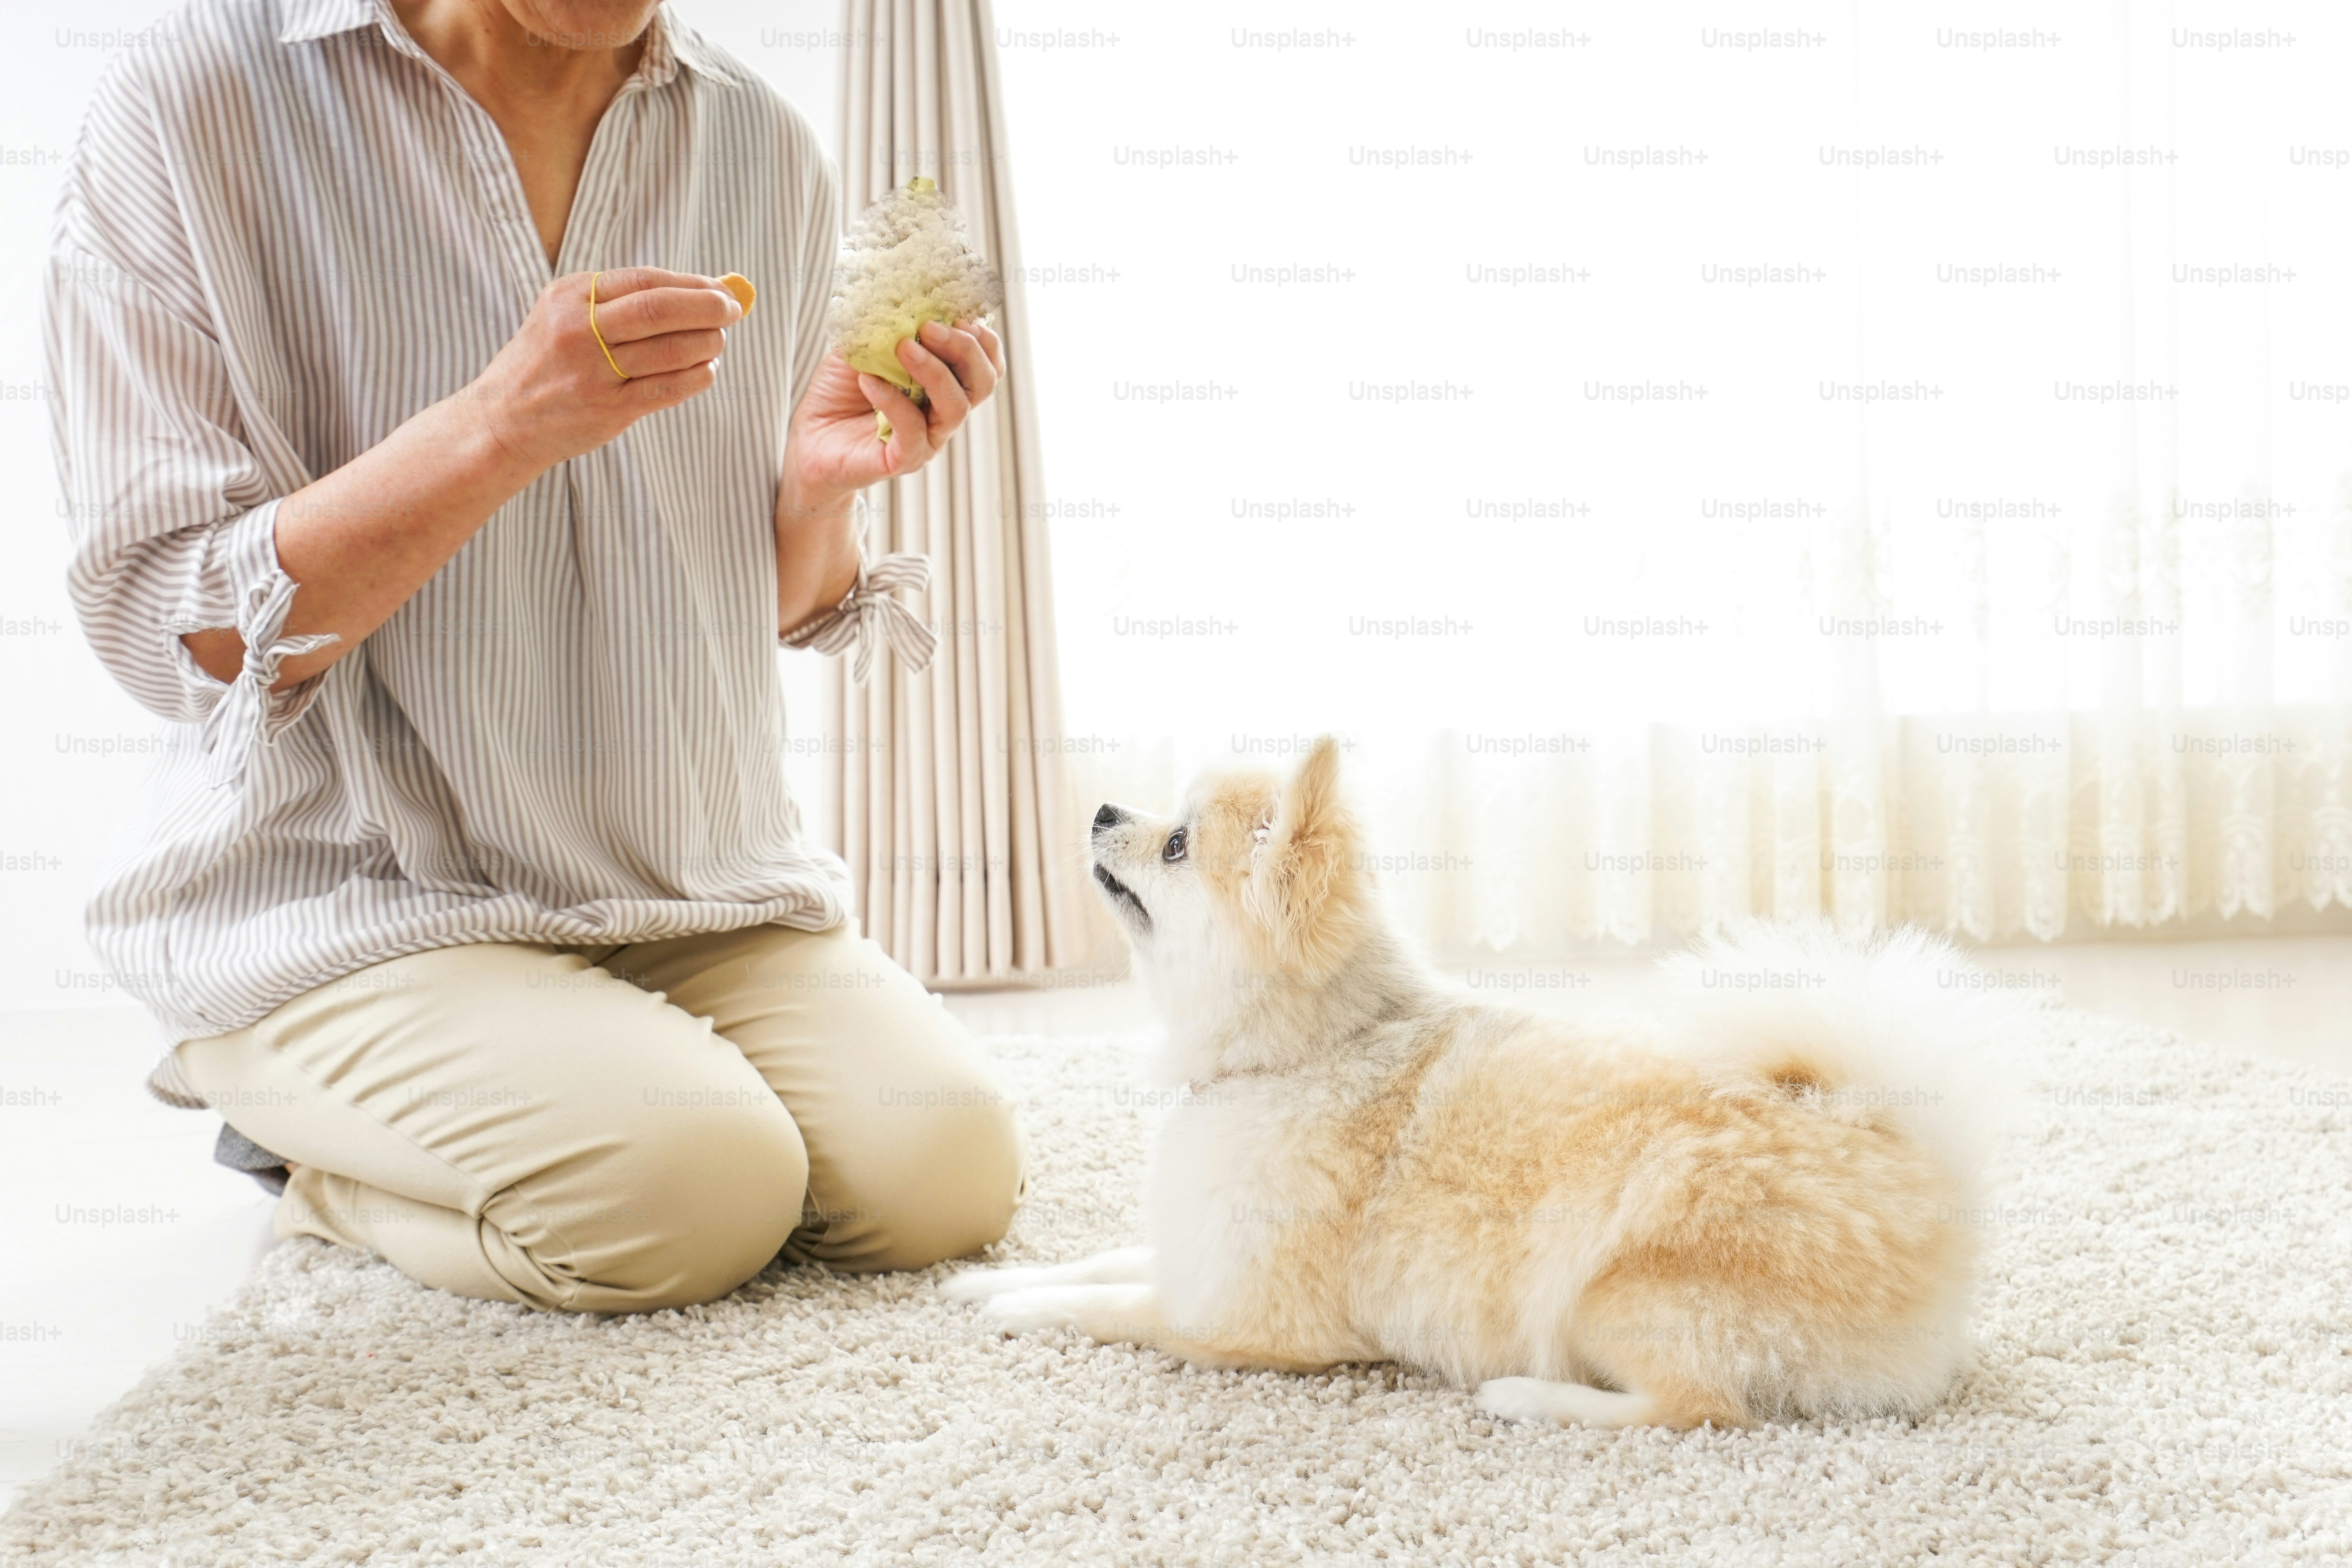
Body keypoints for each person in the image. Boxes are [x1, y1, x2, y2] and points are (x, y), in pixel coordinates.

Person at [45, 0, 1025, 1312]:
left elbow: (785, 601)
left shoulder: (757, 142)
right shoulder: (194, 105)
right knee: (692, 1196)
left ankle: (562, 1103)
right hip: (352, 899)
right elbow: (172, 632)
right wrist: (498, 428)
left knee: (941, 1179)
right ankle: (305, 1156)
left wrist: (818, 491)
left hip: (682, 875)